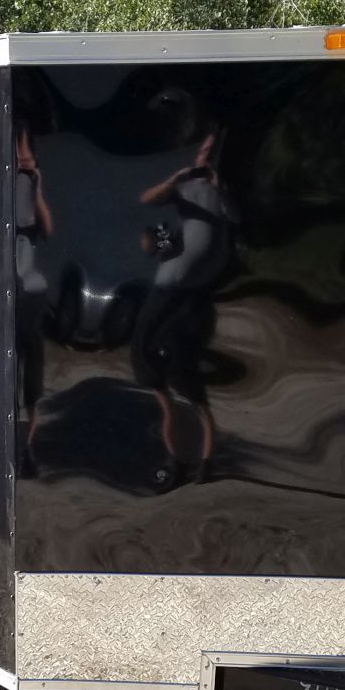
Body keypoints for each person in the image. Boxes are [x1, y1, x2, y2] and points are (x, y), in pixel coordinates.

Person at [132, 130, 236, 488]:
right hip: (164, 290)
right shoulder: (186, 189)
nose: (205, 157)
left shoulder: (225, 197)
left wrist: (221, 187)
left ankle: (206, 462)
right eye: (203, 151)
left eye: (212, 152)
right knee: (148, 367)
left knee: (188, 378)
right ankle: (175, 460)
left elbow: (236, 224)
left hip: (194, 297)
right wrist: (178, 178)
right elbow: (149, 199)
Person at [15, 129, 53, 475]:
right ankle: (12, 449)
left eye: (30, 156)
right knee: (9, 377)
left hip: (31, 294)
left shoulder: (28, 185)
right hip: (8, 297)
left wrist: (36, 185)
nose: (27, 162)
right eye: (20, 154)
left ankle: (27, 450)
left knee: (32, 381)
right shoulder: (10, 186)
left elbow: (47, 226)